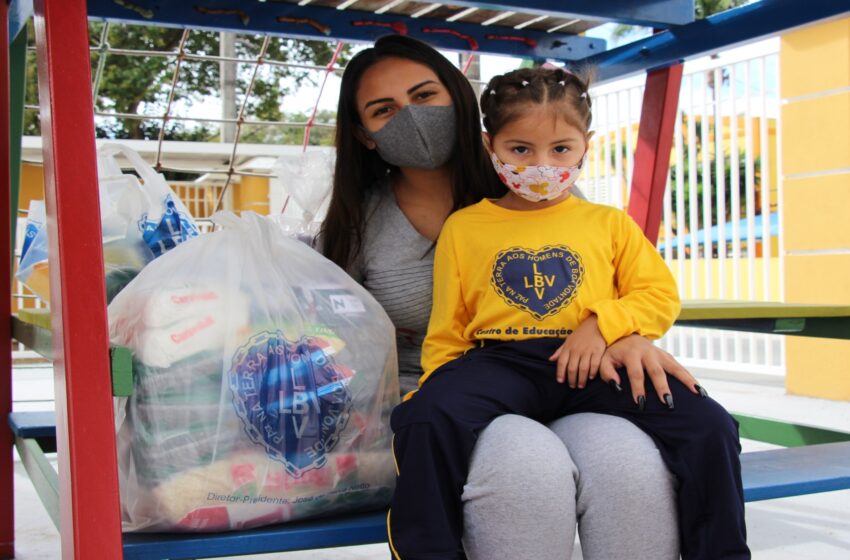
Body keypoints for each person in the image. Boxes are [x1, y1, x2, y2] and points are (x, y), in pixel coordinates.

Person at [321, 35, 685, 559]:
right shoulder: (357, 224)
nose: (412, 118)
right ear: (365, 134)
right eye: (385, 110)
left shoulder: (543, 186)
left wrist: (623, 331)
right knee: (526, 468)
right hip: (448, 399)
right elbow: (333, 337)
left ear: (460, 99)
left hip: (570, 378)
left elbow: (615, 289)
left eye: (425, 97)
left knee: (631, 468)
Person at [386, 65, 750, 560]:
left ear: (586, 144)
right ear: (491, 145)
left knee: (711, 424)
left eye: (560, 149)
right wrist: (443, 387)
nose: (541, 165)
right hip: (502, 364)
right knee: (424, 417)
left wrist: (602, 326)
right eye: (521, 150)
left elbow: (658, 294)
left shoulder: (608, 223)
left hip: (595, 365)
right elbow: (449, 327)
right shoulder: (465, 227)